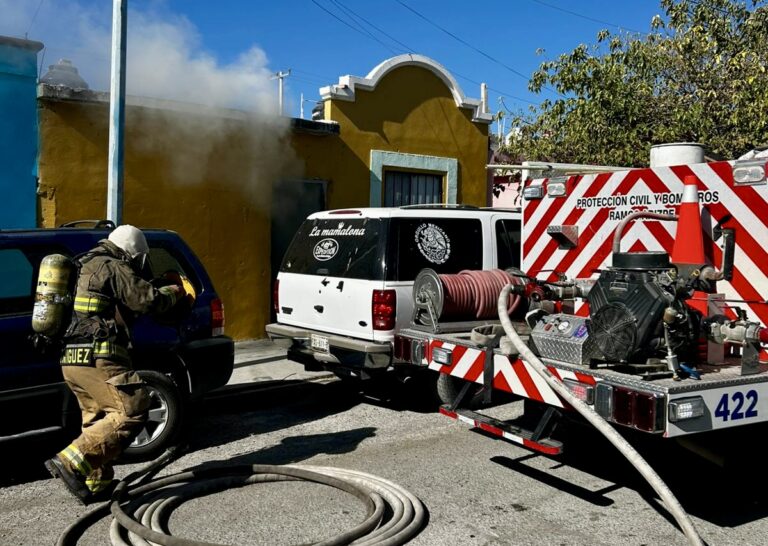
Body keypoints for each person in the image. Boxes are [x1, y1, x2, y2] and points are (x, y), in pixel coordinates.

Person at [44, 224, 185, 503]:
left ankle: (97, 482)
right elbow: (147, 300)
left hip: (71, 360)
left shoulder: (81, 264)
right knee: (132, 408)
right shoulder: (113, 265)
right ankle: (72, 462)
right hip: (99, 356)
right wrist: (175, 291)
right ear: (132, 252)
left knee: (98, 418)